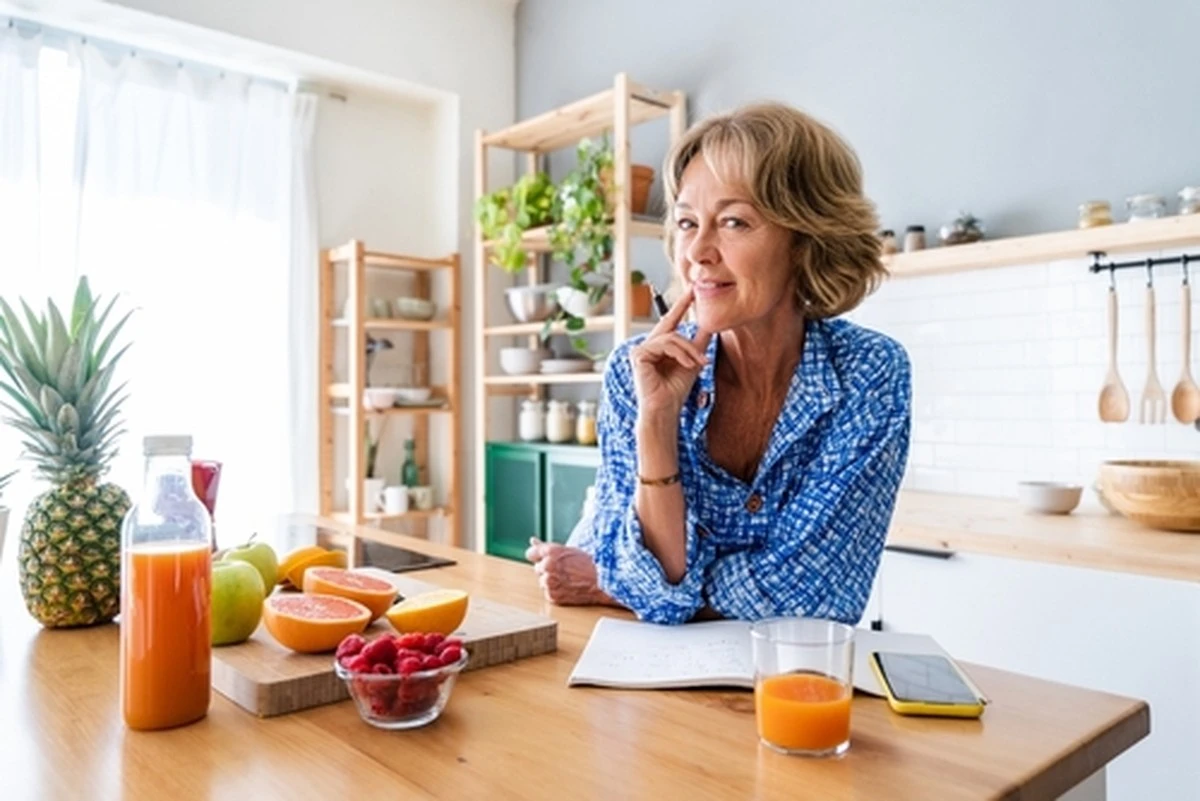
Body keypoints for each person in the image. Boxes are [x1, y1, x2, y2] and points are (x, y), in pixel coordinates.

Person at [526, 101, 911, 625]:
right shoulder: (632, 373)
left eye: (733, 222)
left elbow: (817, 601)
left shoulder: (869, 372)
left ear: (807, 239)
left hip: (792, 693)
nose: (698, 253)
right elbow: (651, 592)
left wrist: (612, 580)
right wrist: (657, 422)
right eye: (687, 222)